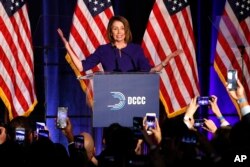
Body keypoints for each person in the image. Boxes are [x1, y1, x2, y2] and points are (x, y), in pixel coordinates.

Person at [57, 15, 182, 73]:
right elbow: (81, 67)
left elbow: (149, 71)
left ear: (126, 30)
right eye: (115, 28)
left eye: (122, 28)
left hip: (134, 98)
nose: (119, 32)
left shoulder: (136, 49)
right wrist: (67, 46)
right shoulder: (103, 50)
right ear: (111, 32)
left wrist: (166, 61)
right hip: (110, 100)